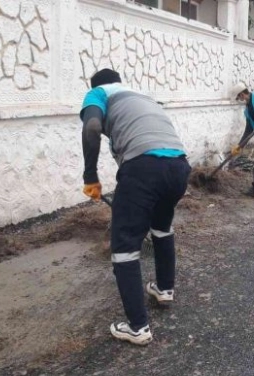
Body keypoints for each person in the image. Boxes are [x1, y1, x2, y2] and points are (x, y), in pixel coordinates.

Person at [80, 69, 191, 346]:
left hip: (143, 167)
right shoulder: (142, 96)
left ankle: (138, 327)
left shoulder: (99, 93)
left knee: (125, 246)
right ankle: (164, 289)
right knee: (162, 229)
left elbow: (92, 127)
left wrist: (90, 176)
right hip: (178, 165)